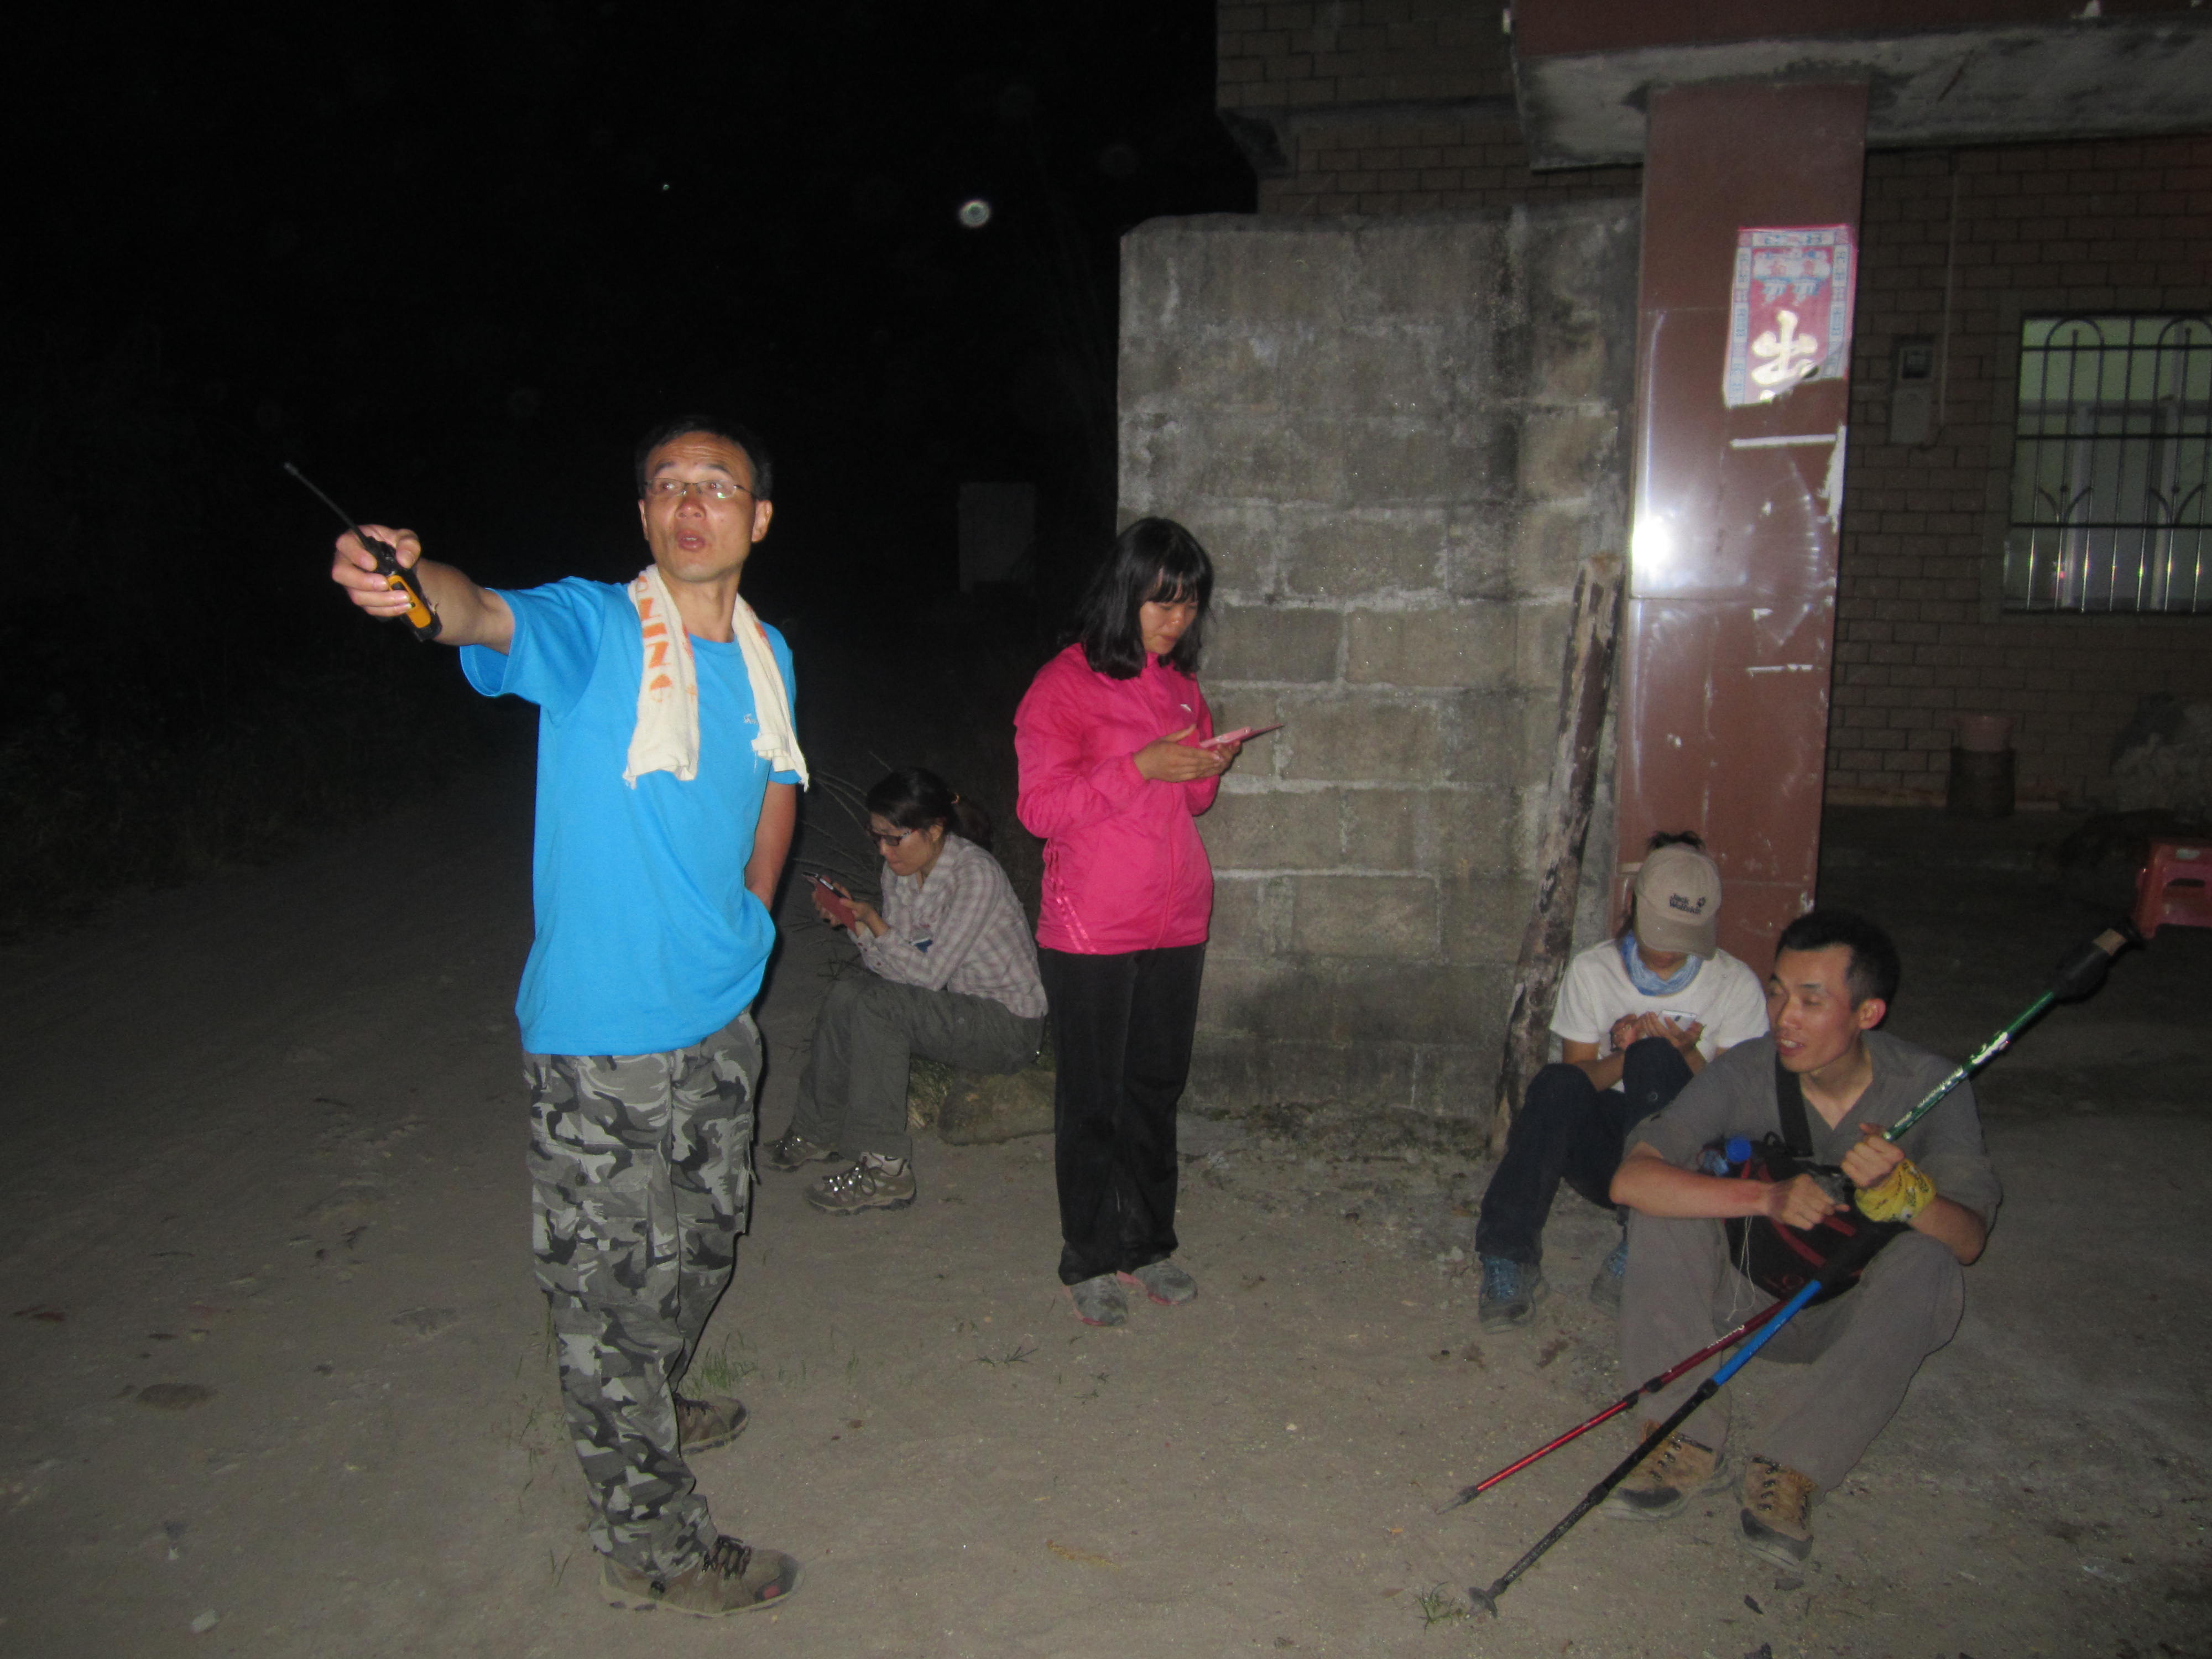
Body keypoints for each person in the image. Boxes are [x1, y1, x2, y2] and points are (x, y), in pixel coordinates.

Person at [327, 416, 805, 1618]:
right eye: (665, 487)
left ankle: (652, 1389)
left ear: (757, 520)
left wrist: (754, 921)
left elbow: (776, 786)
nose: (689, 503)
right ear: (643, 517)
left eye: (717, 486)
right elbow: (475, 610)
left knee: (702, 1242)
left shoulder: (765, 655)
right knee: (609, 1294)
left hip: (717, 1016)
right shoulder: (597, 632)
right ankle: (651, 1539)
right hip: (600, 1042)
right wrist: (408, 582)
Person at [1603, 909, 2000, 1568]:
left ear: (1867, 1013)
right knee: (1662, 1206)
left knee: (1930, 1264)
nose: (1783, 1016)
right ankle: (1679, 1434)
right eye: (1777, 990)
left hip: (1847, 1311)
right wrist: (1764, 1196)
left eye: (1810, 1001)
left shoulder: (1930, 1086)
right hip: (1736, 1298)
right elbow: (1631, 1179)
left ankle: (1791, 1467)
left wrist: (1911, 1194)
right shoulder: (1746, 1071)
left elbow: (1969, 1239)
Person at [1014, 517, 1241, 1328]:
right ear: (1124, 594)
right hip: (1092, 928)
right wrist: (1138, 765)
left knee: (1155, 1088)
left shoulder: (1182, 688)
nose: (1176, 620)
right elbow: (1040, 808)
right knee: (1094, 1097)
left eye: (1188, 605)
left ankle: (1150, 1243)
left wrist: (1203, 768)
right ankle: (1089, 1255)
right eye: (1160, 602)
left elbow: (1193, 802)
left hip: (1177, 917)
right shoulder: (1063, 685)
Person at [1476, 834, 1769, 1331]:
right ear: (1634, 903)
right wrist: (1626, 1056)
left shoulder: (1736, 985)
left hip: (1681, 1161)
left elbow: (1740, 1110)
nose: (1668, 950)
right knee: (1557, 1081)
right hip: (1607, 1154)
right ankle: (1508, 1252)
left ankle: (1644, 1239)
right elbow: (1578, 1080)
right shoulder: (1595, 972)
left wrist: (1686, 1056)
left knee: (1658, 1058)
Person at [765, 767, 1047, 1213]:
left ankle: (885, 1169)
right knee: (848, 993)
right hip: (952, 1008)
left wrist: (875, 924)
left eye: (895, 838)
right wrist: (859, 926)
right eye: (877, 836)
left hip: (1006, 1024)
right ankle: (816, 1131)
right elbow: (896, 968)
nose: (884, 849)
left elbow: (928, 975)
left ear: (935, 830)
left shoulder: (975, 875)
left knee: (878, 1007)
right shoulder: (898, 874)